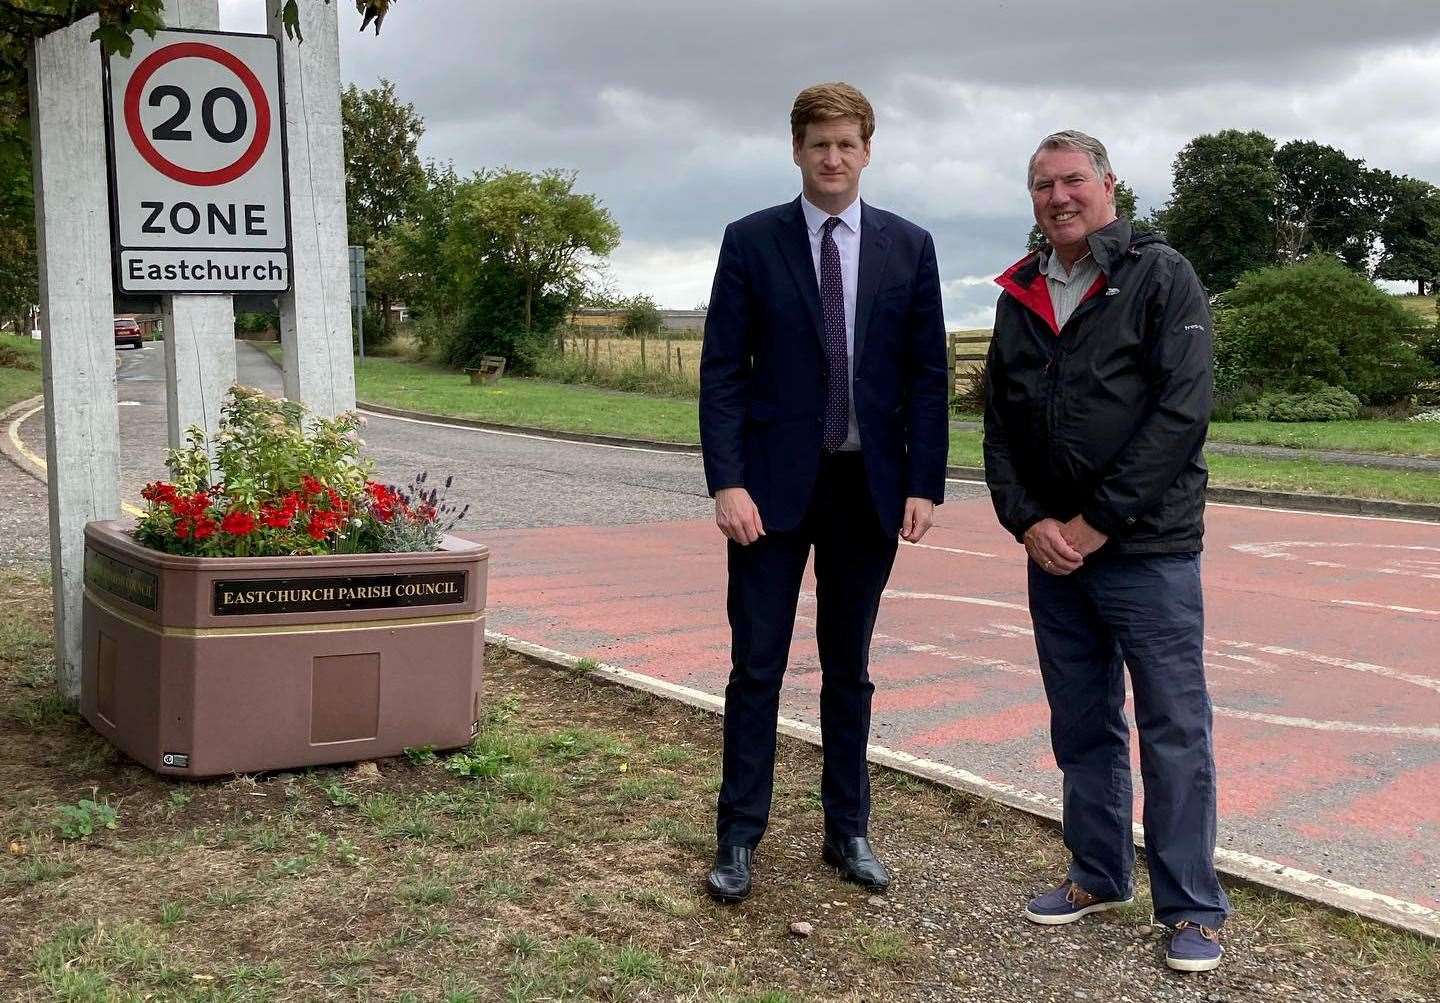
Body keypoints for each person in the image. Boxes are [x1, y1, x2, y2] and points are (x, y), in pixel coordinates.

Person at [982, 130, 1230, 972]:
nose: (1058, 197)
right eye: (1042, 185)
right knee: (1082, 723)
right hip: (1052, 556)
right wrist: (1028, 522)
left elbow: (1178, 416)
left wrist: (1095, 524)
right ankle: (1096, 874)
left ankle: (1192, 906)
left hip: (1146, 551)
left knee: (1173, 727)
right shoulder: (1020, 295)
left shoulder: (1161, 275)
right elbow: (999, 431)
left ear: (1109, 184)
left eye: (1073, 180)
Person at [697, 82, 947, 903]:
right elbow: (723, 372)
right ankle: (738, 835)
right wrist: (726, 481)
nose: (832, 158)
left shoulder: (909, 247)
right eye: (818, 144)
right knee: (756, 665)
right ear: (796, 150)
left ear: (867, 149)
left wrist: (924, 480)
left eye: (846, 143)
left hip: (867, 490)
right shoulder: (751, 241)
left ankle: (849, 828)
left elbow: (926, 377)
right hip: (767, 494)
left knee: (851, 667)